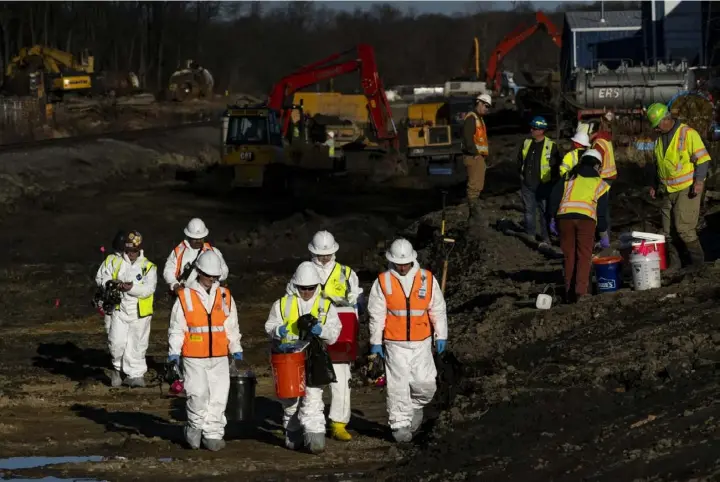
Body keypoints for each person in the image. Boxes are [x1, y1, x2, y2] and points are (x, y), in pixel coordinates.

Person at [367, 238, 448, 443]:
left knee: (426, 383)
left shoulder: (426, 279)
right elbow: (376, 314)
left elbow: (437, 309)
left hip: (422, 342)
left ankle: (415, 406)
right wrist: (376, 342)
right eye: (398, 263)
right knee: (398, 385)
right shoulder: (383, 281)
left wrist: (441, 334)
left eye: (405, 263)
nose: (402, 267)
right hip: (395, 343)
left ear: (412, 260)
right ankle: (399, 424)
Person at [285, 231, 362, 442]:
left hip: (338, 330)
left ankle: (338, 422)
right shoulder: (304, 271)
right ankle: (302, 422)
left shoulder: (346, 273)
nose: (325, 257)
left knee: (341, 378)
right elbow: (291, 299)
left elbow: (355, 302)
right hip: (309, 333)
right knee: (308, 381)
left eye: (328, 253)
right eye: (321, 254)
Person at [167, 250, 243, 451]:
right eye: (208, 275)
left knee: (219, 397)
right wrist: (174, 352)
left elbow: (231, 324)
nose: (212, 279)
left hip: (219, 356)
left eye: (215, 276)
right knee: (197, 394)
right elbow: (177, 327)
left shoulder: (225, 295)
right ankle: (194, 427)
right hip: (194, 356)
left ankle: (213, 434)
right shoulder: (185, 296)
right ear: (199, 272)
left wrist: (235, 347)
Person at [266, 261, 341, 454]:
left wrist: (320, 330)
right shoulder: (282, 304)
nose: (307, 291)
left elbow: (334, 334)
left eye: (310, 288)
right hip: (289, 357)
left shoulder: (326, 306)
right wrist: (278, 330)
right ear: (295, 285)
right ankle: (293, 430)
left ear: (317, 286)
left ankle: (315, 437)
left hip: (313, 358)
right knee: (290, 400)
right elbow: (270, 325)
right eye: (303, 288)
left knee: (313, 399)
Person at [647, 102, 711, 269]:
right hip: (667, 190)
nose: (656, 129)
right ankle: (676, 267)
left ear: (666, 120)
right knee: (669, 232)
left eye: (657, 125)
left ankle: (699, 267)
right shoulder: (660, 139)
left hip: (686, 188)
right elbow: (658, 164)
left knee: (684, 229)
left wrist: (698, 182)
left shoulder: (687, 133)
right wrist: (654, 184)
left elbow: (703, 159)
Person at [95, 230, 157, 388]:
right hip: (119, 309)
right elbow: (102, 277)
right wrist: (112, 283)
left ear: (139, 250)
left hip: (140, 313)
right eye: (128, 251)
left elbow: (148, 289)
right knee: (116, 342)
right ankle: (117, 369)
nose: (131, 254)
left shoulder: (148, 267)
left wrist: (130, 288)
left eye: (134, 251)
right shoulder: (115, 261)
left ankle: (135, 375)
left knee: (137, 344)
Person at [549, 150, 610, 302]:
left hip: (564, 219)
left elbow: (554, 198)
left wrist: (551, 219)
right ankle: (581, 292)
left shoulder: (569, 177)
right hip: (586, 221)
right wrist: (603, 234)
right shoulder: (600, 184)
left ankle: (569, 293)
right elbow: (601, 213)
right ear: (597, 165)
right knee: (584, 256)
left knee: (569, 256)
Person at [517, 116, 561, 246]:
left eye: (534, 128)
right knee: (529, 211)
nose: (531, 130)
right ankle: (530, 236)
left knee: (544, 213)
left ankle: (545, 238)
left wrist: (552, 182)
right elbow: (520, 161)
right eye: (532, 127)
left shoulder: (551, 146)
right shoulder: (526, 143)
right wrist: (521, 175)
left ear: (541, 130)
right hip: (527, 184)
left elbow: (556, 165)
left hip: (544, 185)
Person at [163, 218, 229, 295]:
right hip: (185, 293)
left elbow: (224, 270)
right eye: (195, 239)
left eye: (200, 238)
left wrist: (214, 278)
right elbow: (168, 270)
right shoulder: (179, 251)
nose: (198, 241)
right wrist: (175, 285)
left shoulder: (213, 251)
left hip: (208, 294)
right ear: (189, 236)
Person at [462, 93, 492, 223]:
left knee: (478, 186)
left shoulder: (479, 119)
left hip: (478, 157)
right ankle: (474, 215)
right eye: (485, 106)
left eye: (488, 107)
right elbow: (468, 138)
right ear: (478, 103)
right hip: (473, 157)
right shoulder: (472, 118)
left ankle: (473, 216)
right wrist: (475, 154)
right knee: (474, 187)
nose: (486, 109)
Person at [591, 113, 617, 235]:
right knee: (604, 207)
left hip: (602, 178)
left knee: (600, 209)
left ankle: (603, 236)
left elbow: (595, 162)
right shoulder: (607, 139)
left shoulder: (599, 143)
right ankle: (606, 233)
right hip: (609, 176)